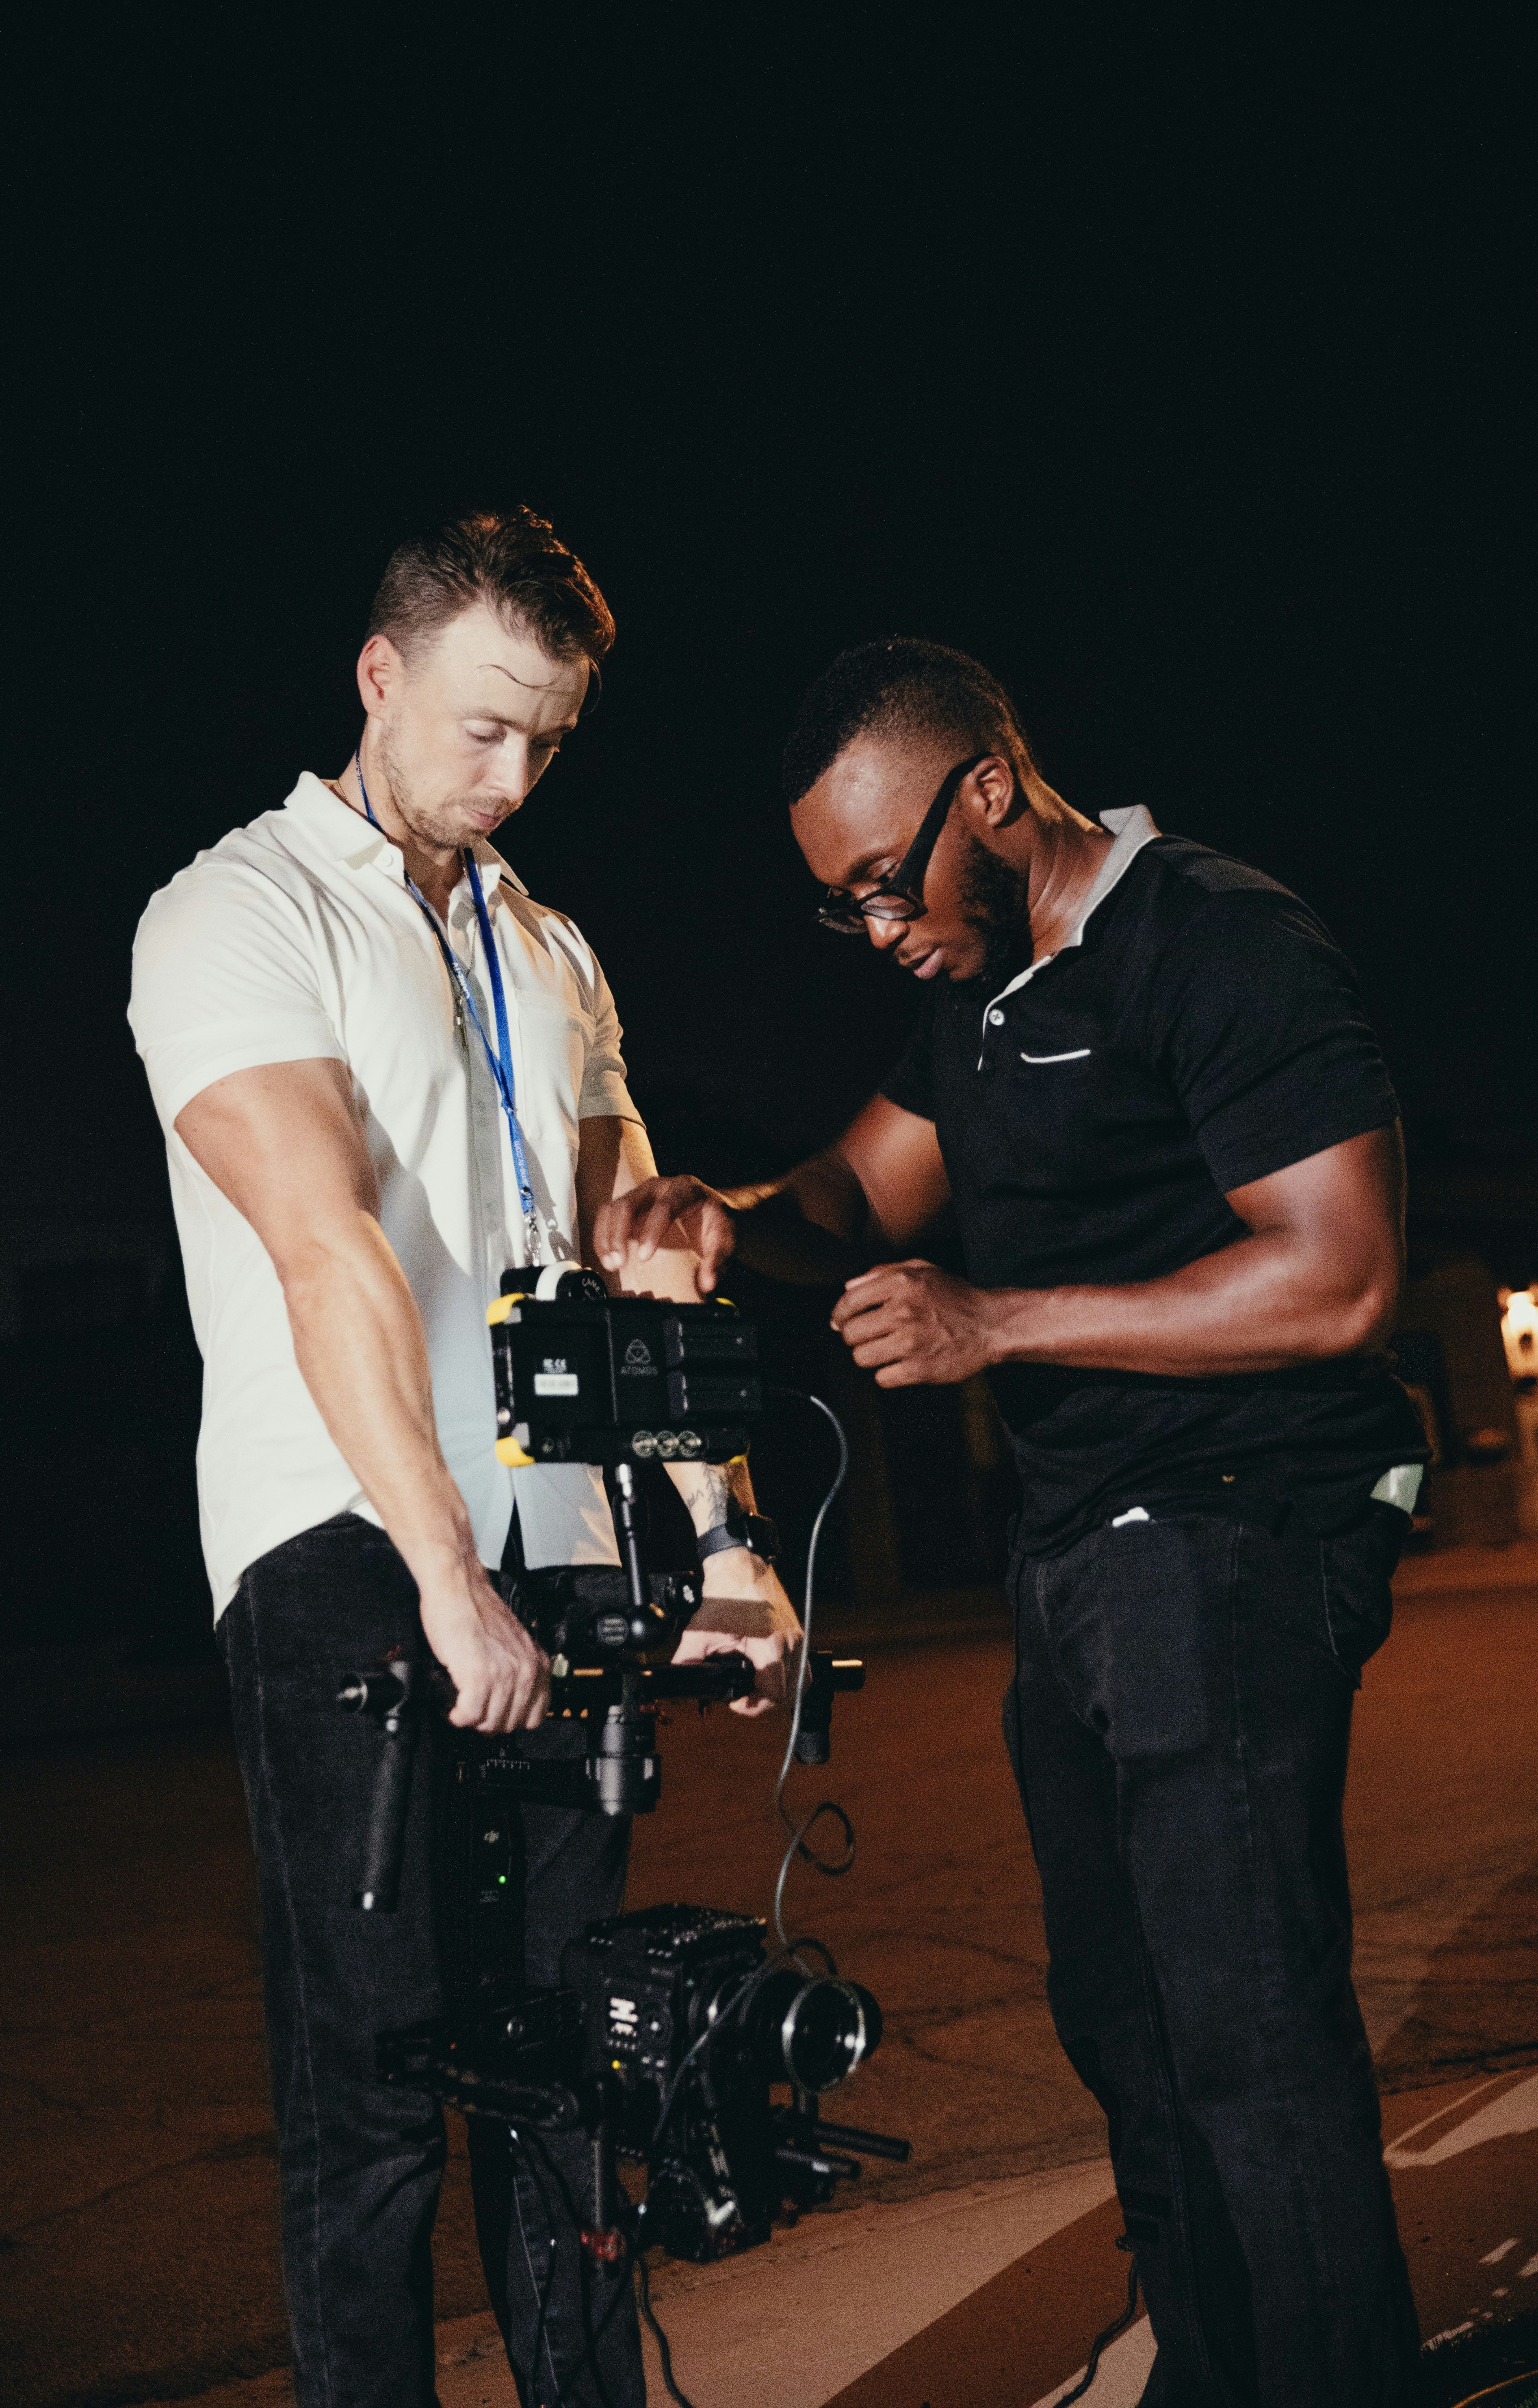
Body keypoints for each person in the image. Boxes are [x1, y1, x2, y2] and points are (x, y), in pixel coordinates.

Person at [594, 637, 1429, 2406]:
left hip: (1236, 1531)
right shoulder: (980, 997)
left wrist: (996, 1323)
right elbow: (850, 1190)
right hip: (1080, 1560)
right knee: (1128, 2034)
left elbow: (1340, 1279)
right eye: (839, 910)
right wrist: (728, 1214)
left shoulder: (1211, 939)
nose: (876, 928)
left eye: (884, 886)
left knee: (1246, 2034)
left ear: (989, 789)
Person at [128, 507, 801, 2408]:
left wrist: (720, 1546)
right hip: (349, 1542)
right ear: (380, 678)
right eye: (485, 726)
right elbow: (326, 1250)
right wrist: (441, 1576)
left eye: (553, 742)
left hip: (563, 1537)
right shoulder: (236, 911)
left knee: (585, 2068)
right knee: (377, 2093)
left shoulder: (547, 943)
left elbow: (636, 1257)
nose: (514, 777)